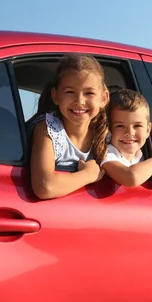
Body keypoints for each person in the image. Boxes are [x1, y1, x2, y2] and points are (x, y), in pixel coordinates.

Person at [29, 53, 109, 200]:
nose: (79, 101)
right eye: (70, 92)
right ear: (55, 96)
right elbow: (45, 186)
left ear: (103, 98)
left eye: (89, 93)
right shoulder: (48, 130)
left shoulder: (105, 135)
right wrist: (88, 175)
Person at [100, 89, 152, 192]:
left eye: (137, 126)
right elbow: (131, 177)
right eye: (120, 126)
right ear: (109, 129)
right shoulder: (106, 154)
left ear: (148, 130)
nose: (130, 132)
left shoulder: (140, 157)